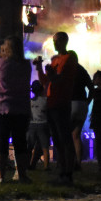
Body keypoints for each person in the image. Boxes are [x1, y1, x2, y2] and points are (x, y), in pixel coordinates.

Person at [34, 31, 78, 184]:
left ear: (65, 41)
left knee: (64, 138)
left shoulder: (70, 57)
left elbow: (59, 79)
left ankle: (68, 173)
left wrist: (51, 74)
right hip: (52, 102)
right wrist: (39, 68)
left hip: (61, 102)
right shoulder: (55, 60)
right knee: (58, 140)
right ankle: (63, 172)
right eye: (54, 40)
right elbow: (46, 82)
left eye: (57, 40)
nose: (55, 43)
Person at [0, 36, 33, 184]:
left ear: (7, 49)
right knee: (20, 142)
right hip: (21, 107)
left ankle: (0, 175)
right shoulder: (26, 65)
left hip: (1, 106)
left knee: (1, 141)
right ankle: (21, 174)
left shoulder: (0, 63)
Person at [69, 51, 94, 167]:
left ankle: (67, 162)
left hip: (71, 103)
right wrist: (87, 102)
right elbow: (91, 88)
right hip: (82, 105)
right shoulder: (82, 70)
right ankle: (78, 163)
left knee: (67, 134)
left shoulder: (67, 69)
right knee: (76, 135)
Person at [27, 80, 51, 170]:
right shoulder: (46, 100)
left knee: (29, 146)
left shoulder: (30, 101)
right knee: (45, 147)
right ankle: (46, 166)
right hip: (43, 124)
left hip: (32, 125)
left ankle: (27, 164)